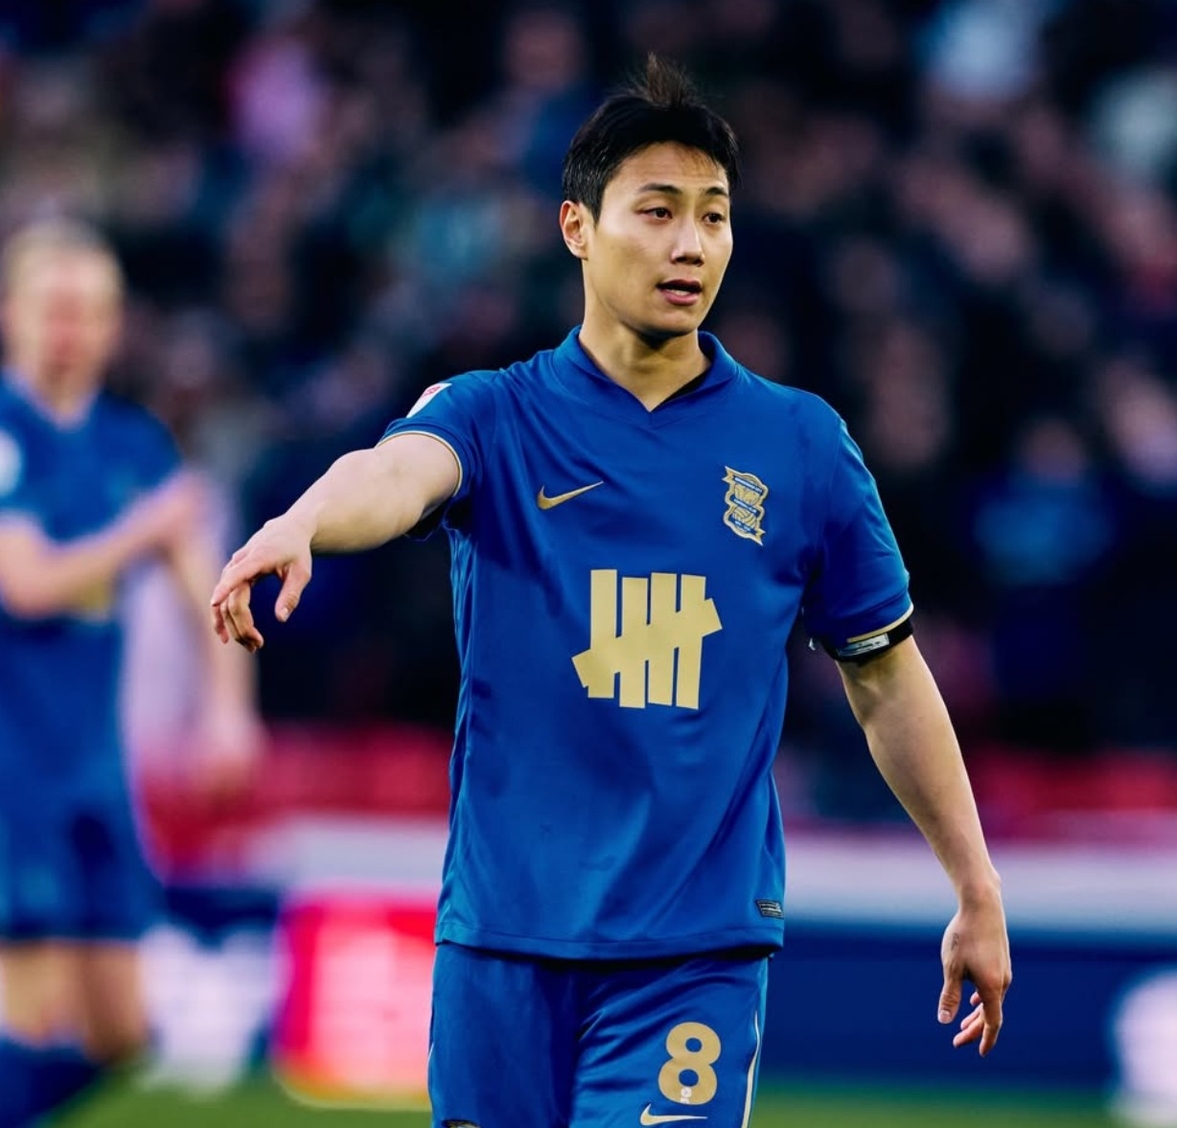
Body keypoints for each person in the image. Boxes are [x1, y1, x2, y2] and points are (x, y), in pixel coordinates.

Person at [212, 57, 1011, 1126]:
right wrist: (303, 521)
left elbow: (887, 677)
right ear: (578, 228)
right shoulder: (495, 414)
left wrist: (975, 886)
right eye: (658, 211)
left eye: (714, 216)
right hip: (502, 941)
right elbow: (396, 473)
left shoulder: (801, 446)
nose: (691, 245)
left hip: (693, 954)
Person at [0, 219, 261, 1126]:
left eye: (89, 312)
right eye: (54, 309)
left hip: (94, 768)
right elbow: (26, 583)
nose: (71, 331)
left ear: (115, 326)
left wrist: (228, 710)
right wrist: (140, 532)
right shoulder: (7, 435)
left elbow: (206, 588)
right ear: (12, 314)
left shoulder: (131, 443)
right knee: (30, 1019)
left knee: (124, 1031)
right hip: (13, 772)